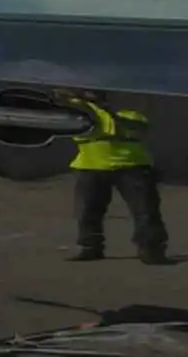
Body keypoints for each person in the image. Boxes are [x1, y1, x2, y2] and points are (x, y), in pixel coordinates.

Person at [63, 93, 169, 265]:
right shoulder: (83, 114)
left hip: (132, 167)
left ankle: (151, 249)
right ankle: (90, 247)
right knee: (87, 211)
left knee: (145, 211)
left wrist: (109, 113)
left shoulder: (129, 115)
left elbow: (138, 128)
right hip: (91, 167)